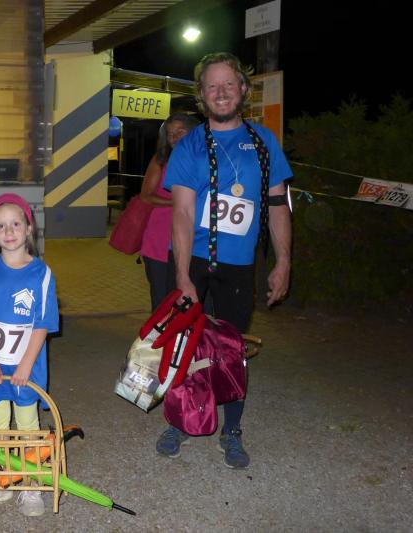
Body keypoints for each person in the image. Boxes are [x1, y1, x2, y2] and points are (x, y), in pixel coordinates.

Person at [158, 52, 293, 469]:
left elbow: (277, 206)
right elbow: (182, 213)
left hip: (239, 265)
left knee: (231, 349)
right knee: (185, 344)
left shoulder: (264, 142)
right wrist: (182, 275)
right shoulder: (189, 146)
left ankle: (231, 429)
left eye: (228, 85)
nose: (220, 93)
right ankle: (181, 421)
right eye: (212, 86)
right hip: (194, 259)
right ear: (201, 95)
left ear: (243, 90)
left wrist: (284, 261)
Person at [0, 193, 59, 517]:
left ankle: (31, 484)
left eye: (15, 224)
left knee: (28, 424)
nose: (9, 231)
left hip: (25, 368)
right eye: (1, 225)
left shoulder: (41, 274)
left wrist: (26, 365)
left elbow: (42, 326)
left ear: (28, 228)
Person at [139, 113, 199, 311]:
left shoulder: (203, 160)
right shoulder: (161, 160)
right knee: (161, 300)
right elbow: (146, 196)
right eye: (170, 133)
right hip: (160, 239)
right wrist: (178, 202)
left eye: (180, 131)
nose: (174, 137)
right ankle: (159, 332)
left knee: (190, 300)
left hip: (192, 240)